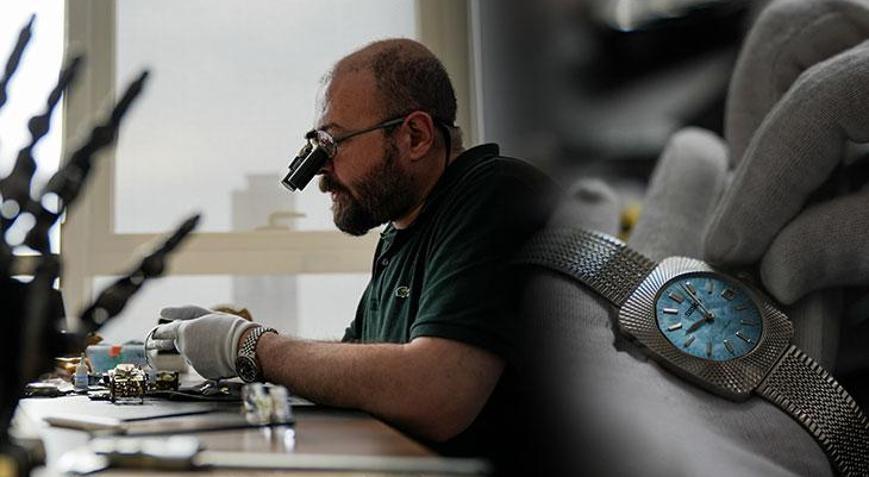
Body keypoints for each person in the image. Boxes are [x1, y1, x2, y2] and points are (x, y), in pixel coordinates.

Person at [152, 38, 559, 467]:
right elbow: (359, 373)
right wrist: (235, 349)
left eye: (332, 144)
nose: (321, 176)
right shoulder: (402, 233)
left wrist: (250, 346)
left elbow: (437, 394)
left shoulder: (495, 194)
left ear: (415, 136)